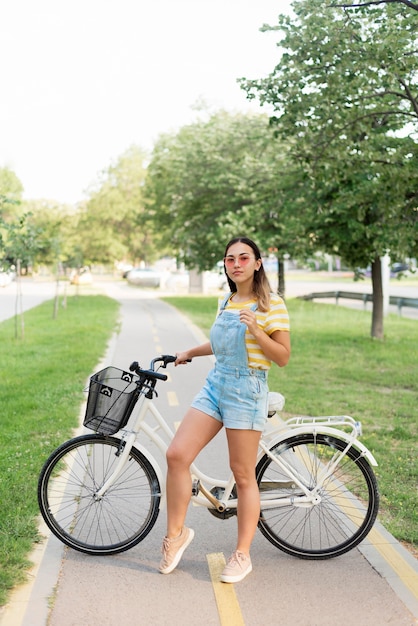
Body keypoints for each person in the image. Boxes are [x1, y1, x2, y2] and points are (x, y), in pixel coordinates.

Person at [159, 236, 291, 583]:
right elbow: (219, 345)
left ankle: (242, 555)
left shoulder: (272, 305)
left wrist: (257, 329)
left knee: (243, 474)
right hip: (217, 384)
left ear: (257, 263)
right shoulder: (227, 300)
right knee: (177, 455)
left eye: (243, 258)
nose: (236, 264)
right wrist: (189, 351)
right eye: (230, 259)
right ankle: (176, 536)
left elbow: (282, 357)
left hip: (247, 389)